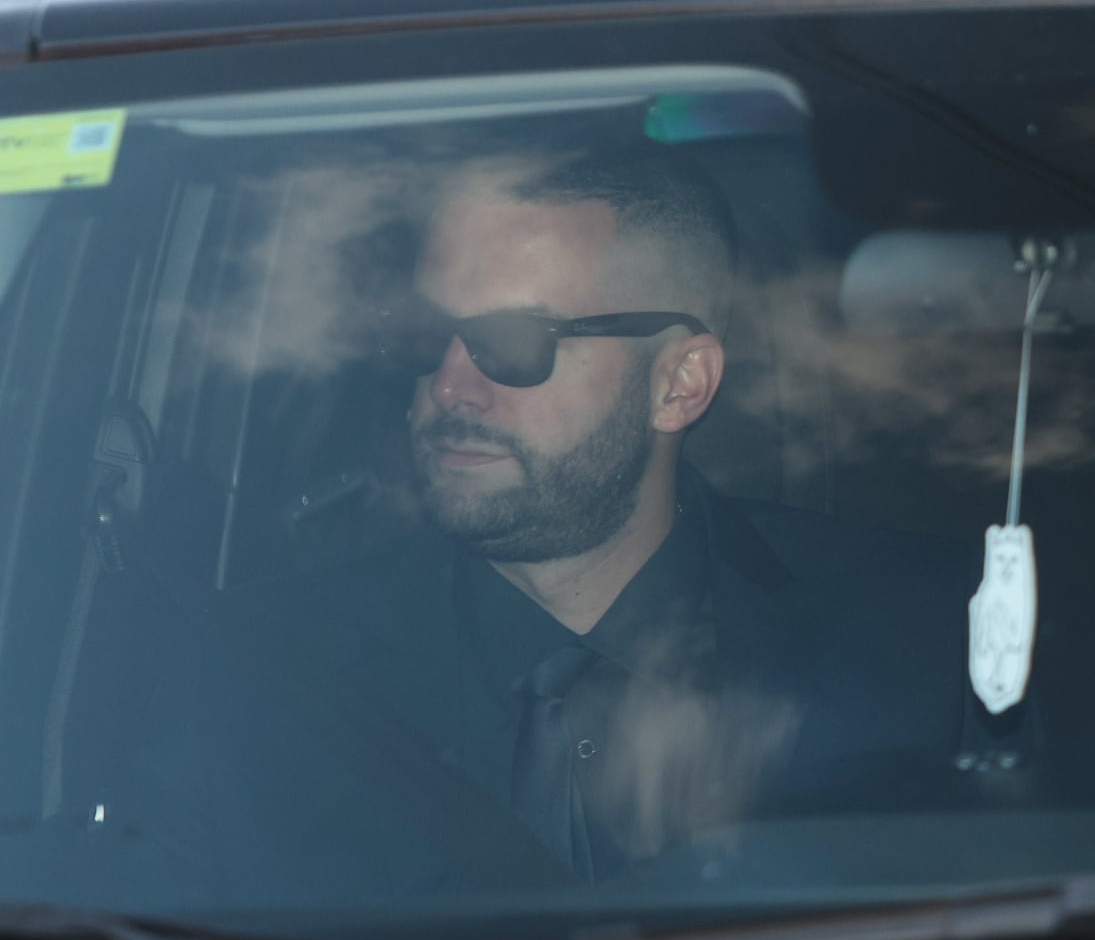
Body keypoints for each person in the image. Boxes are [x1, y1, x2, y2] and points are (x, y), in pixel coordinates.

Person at [115, 147, 993, 899]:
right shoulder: (252, 678)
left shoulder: (931, 646)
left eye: (515, 343)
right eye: (430, 336)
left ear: (679, 382)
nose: (451, 389)